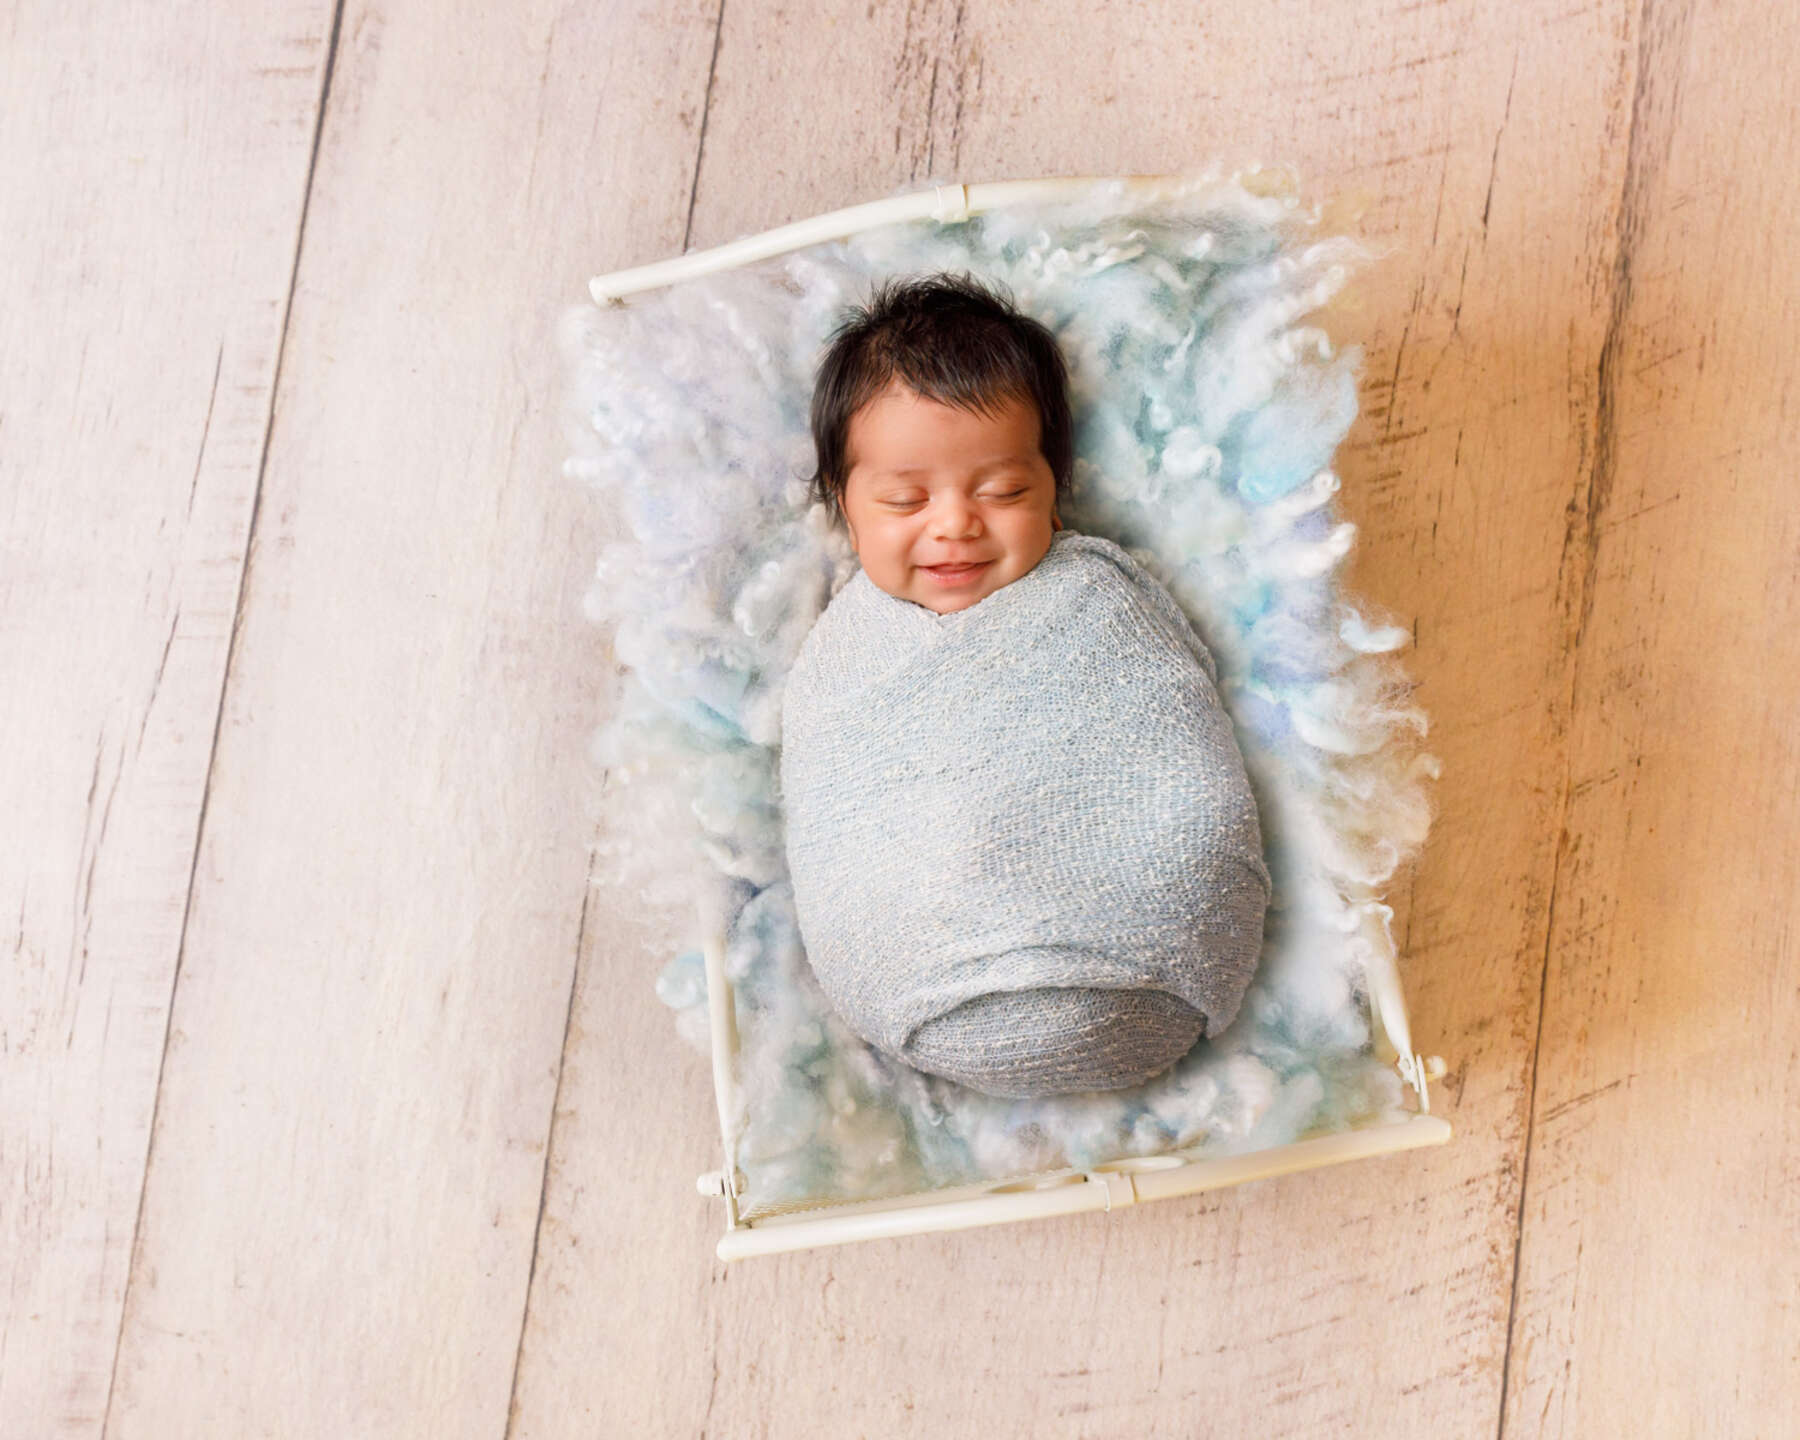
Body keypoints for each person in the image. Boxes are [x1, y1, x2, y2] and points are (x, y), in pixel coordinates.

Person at [780, 272, 1271, 1099]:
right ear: (844, 504)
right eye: (905, 499)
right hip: (914, 988)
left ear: (1054, 488)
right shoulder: (841, 653)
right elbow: (833, 799)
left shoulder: (1096, 598)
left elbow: (1178, 724)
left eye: (1003, 491)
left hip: (1163, 962)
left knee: (1198, 825)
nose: (954, 524)